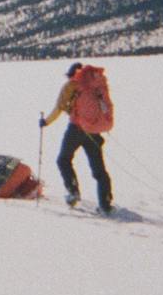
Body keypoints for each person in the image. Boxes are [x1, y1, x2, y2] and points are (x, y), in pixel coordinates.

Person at [39, 61, 113, 212]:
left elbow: (59, 108)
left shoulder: (71, 85)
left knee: (63, 160)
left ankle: (73, 192)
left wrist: (46, 122)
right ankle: (105, 204)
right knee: (99, 170)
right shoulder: (97, 84)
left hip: (76, 129)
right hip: (93, 130)